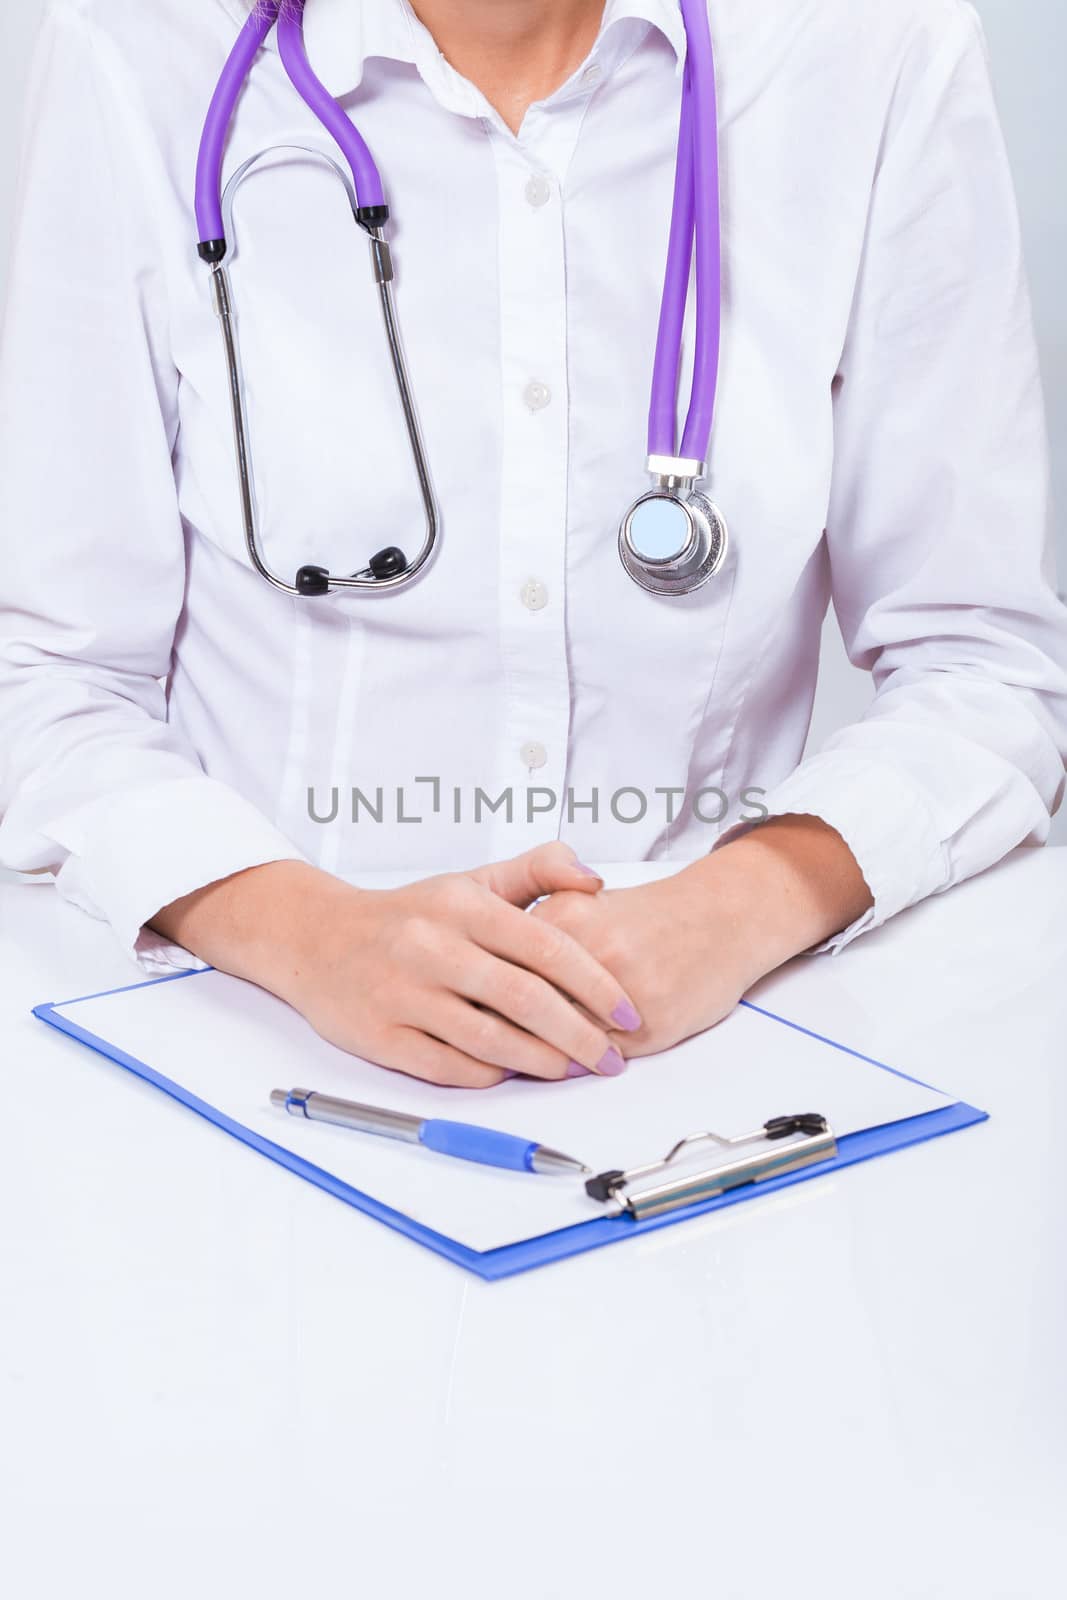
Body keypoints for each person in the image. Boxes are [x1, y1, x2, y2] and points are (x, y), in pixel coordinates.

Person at [1, 0, 1065, 1088]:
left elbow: (982, 665)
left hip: (705, 1056)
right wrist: (311, 935)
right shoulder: (137, 48)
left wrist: (736, 906)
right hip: (250, 1038)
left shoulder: (868, 45)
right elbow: (49, 676)